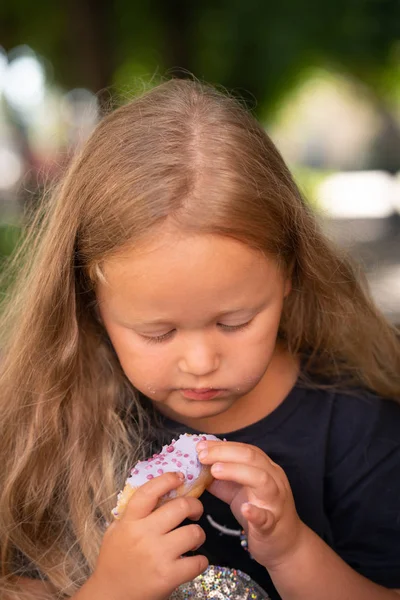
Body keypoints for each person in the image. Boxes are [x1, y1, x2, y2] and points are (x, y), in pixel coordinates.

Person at [0, 78, 399, 600]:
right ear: (91, 303)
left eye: (234, 322)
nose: (201, 360)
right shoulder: (54, 426)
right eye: (158, 333)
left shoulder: (358, 428)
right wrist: (111, 590)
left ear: (289, 275)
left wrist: (293, 552)